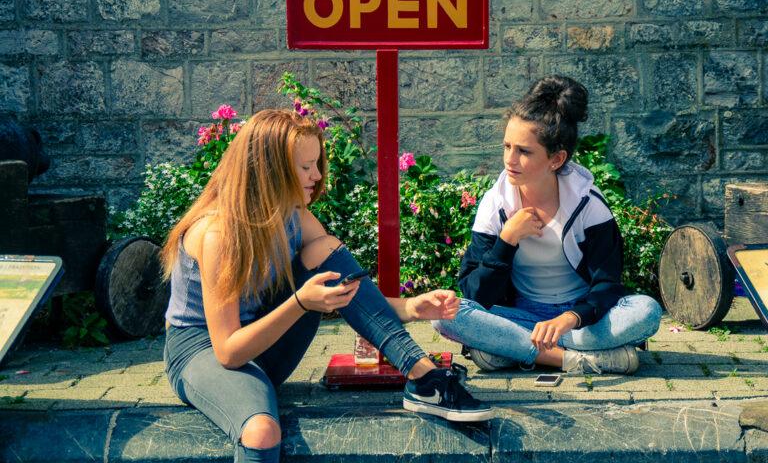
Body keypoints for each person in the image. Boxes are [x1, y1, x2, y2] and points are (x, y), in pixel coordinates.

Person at [161, 109, 492, 463]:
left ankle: (423, 378)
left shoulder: (295, 219)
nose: (317, 176)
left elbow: (350, 296)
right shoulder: (218, 234)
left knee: (324, 250)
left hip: (262, 341)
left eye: (316, 164)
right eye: (305, 167)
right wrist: (300, 303)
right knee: (261, 431)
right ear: (270, 170)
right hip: (204, 350)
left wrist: (411, 307)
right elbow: (228, 351)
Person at [432, 76, 662, 375]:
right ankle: (576, 359)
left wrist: (570, 317)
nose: (509, 160)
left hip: (582, 319)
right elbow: (476, 294)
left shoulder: (587, 203)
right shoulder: (496, 204)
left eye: (524, 151)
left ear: (556, 159)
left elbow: (608, 285)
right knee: (445, 315)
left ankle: (511, 349)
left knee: (646, 311)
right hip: (522, 314)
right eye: (507, 146)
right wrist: (507, 240)